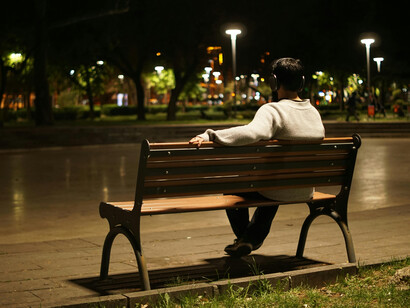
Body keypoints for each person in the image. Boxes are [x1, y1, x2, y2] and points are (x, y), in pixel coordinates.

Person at [189, 58, 325, 257]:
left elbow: (251, 133)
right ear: (301, 83)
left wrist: (210, 135)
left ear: (274, 83)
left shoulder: (273, 110)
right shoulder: (313, 112)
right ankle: (249, 238)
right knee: (275, 184)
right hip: (305, 189)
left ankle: (248, 238)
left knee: (233, 188)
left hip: (277, 189)